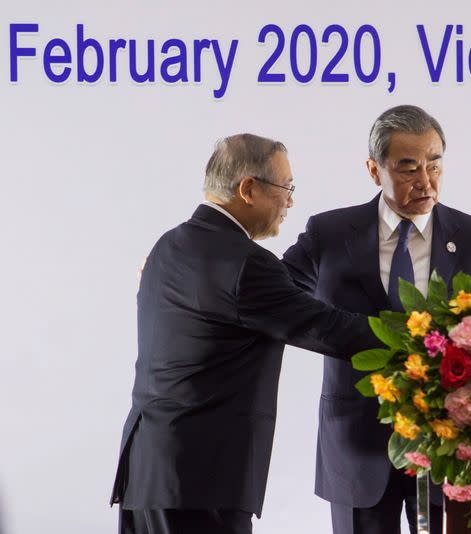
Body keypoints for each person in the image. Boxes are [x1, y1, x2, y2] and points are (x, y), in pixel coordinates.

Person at [110, 133, 377, 534]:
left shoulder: (167, 246)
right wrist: (429, 334)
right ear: (248, 189)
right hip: (201, 484)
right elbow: (328, 330)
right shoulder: (248, 264)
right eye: (286, 188)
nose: (290, 201)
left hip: (145, 473)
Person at [283, 105, 471, 534]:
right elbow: (271, 292)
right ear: (373, 169)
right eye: (407, 169)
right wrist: (200, 272)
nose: (425, 181)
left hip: (448, 447)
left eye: (434, 164)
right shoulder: (329, 233)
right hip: (356, 446)